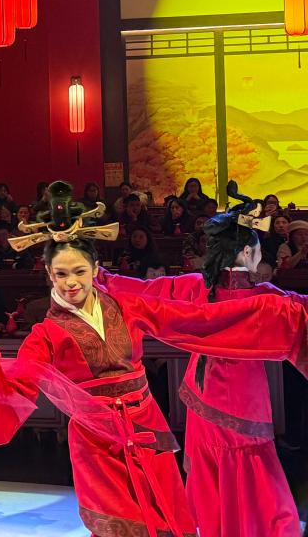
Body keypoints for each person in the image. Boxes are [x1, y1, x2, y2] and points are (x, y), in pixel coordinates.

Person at [0, 181, 308, 537]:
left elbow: (195, 320)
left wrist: (286, 314)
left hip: (147, 434)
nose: (71, 282)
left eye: (79, 271)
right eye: (61, 274)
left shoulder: (127, 306)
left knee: (165, 522)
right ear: (48, 274)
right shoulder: (47, 332)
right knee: (119, 525)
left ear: (95, 270)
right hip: (98, 443)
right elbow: (22, 379)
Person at [100, 182, 306, 537]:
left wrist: (102, 278)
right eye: (257, 250)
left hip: (202, 399)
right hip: (244, 400)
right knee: (250, 467)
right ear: (246, 252)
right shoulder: (266, 301)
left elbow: (145, 292)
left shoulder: (196, 287)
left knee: (210, 473)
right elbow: (300, 314)